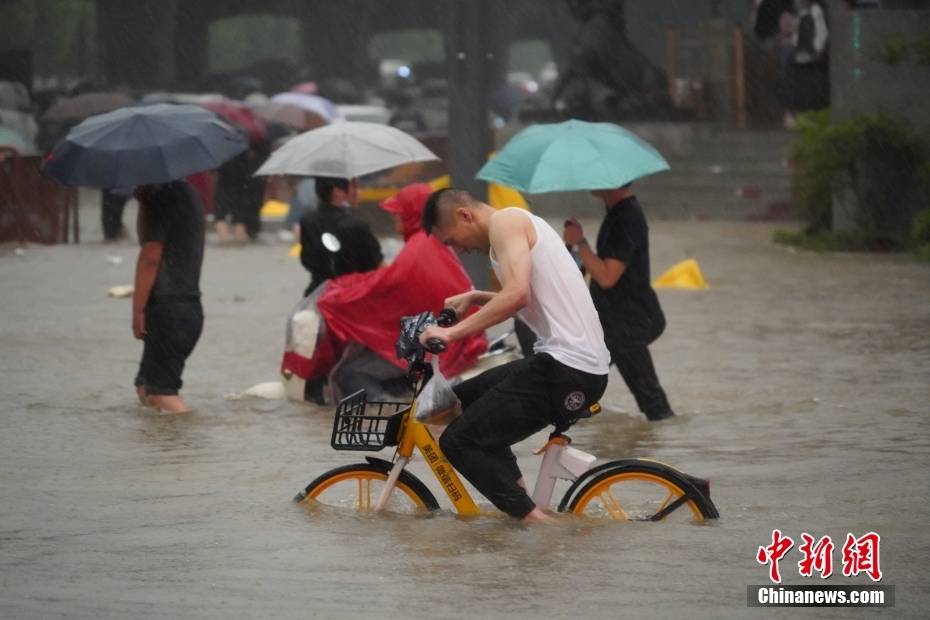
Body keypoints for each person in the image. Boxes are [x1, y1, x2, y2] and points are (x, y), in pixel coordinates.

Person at [418, 188, 610, 523]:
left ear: (465, 215)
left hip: (568, 369)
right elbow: (533, 296)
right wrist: (477, 296)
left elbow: (518, 296)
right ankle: (518, 502)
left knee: (458, 442)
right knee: (460, 402)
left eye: (452, 241)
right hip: (562, 364)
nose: (459, 250)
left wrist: (449, 333)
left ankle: (537, 524)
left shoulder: (506, 222)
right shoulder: (508, 232)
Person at [283, 183, 487, 403]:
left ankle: (388, 414)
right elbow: (390, 281)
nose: (395, 220)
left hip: (444, 344)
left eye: (398, 214)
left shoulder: (417, 247)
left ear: (411, 213)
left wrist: (339, 292)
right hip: (454, 337)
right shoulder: (429, 243)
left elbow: (385, 287)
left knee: (348, 374)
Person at [563, 184, 674, 421]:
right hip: (612, 321)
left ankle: (665, 450)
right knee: (576, 389)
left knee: (653, 403)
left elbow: (606, 277)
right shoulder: (616, 214)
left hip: (627, 324)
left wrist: (581, 243)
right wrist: (571, 245)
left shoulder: (627, 217)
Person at [132, 180, 205, 414]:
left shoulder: (160, 197)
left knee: (161, 393)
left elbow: (150, 256)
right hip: (186, 309)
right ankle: (163, 449)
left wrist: (137, 310)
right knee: (145, 389)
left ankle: (187, 445)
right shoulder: (187, 192)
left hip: (169, 310)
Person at [298, 176, 382, 296]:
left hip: (317, 293)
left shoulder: (307, 221)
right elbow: (377, 267)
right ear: (337, 192)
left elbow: (307, 261)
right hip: (352, 296)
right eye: (354, 186)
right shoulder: (356, 226)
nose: (359, 191)